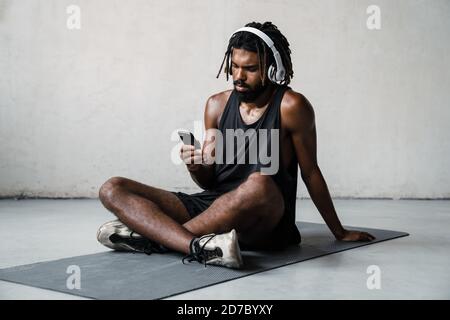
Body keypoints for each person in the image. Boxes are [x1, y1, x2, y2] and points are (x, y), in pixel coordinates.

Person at [96, 21, 375, 269]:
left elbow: (311, 172)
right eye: (235, 67)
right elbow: (208, 181)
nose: (239, 76)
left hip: (265, 220)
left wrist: (338, 231)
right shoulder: (215, 105)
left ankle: (154, 238)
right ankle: (198, 246)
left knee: (259, 183)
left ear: (273, 69)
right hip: (212, 207)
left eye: (250, 69)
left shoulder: (292, 107)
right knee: (113, 188)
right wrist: (196, 165)